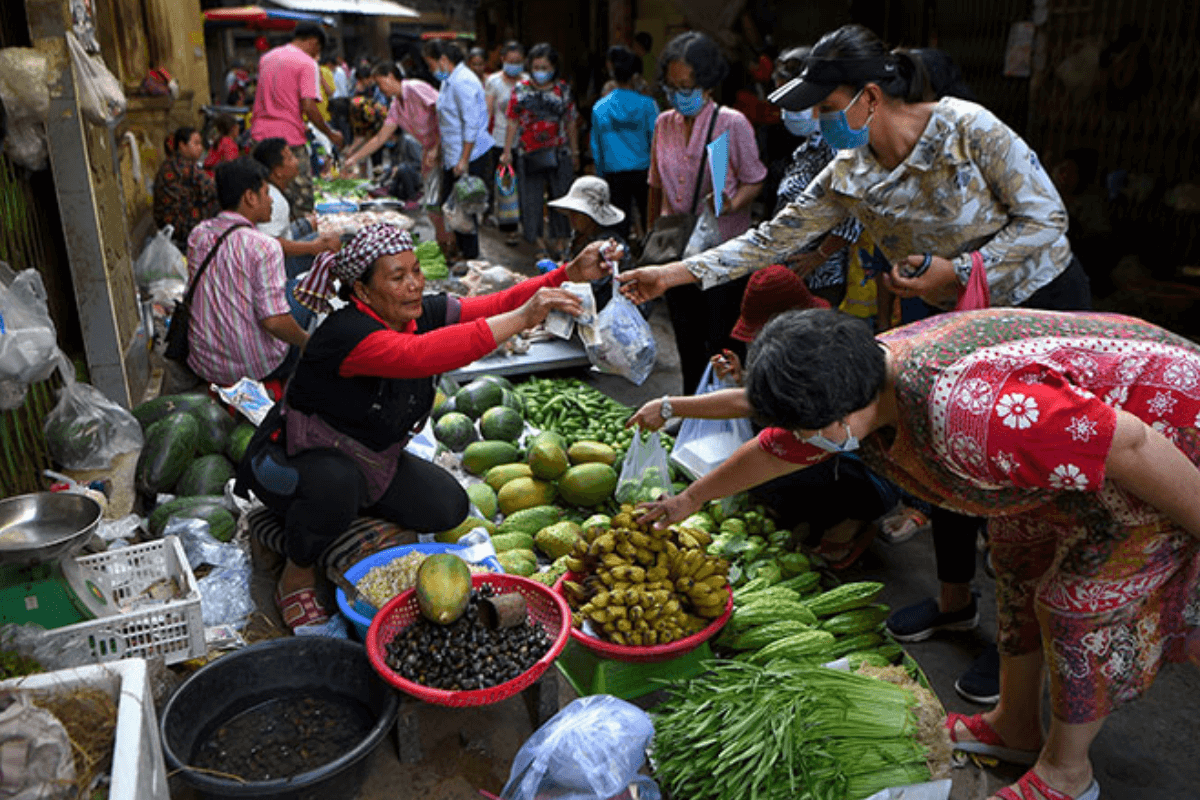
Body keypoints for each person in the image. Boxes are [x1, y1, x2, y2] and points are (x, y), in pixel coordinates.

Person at [619, 23, 1093, 698]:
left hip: (1037, 307)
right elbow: (771, 238)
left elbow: (1047, 220)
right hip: (951, 317)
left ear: (870, 96)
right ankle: (954, 599)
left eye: (824, 104)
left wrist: (958, 270)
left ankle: (1022, 646)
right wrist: (677, 274)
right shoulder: (851, 171)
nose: (815, 120)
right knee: (946, 462)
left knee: (1018, 479)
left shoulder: (967, 128)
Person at [635, 307, 1200, 800]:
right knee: (1017, 561)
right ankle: (1015, 726)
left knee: (1075, 603)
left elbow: (1131, 443)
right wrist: (689, 499)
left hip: (1168, 440)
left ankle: (1068, 773)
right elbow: (778, 442)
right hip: (1084, 440)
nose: (801, 441)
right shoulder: (861, 373)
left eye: (810, 431)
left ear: (839, 422)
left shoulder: (971, 412)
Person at [237, 226, 613, 632]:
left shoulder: (418, 314)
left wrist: (569, 273)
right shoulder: (346, 335)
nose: (415, 284)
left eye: (416, 271)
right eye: (397, 277)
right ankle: (295, 571)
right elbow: (421, 356)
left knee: (446, 505)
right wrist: (523, 319)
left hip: (367, 460)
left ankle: (325, 518)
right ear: (362, 291)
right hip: (287, 461)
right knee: (335, 486)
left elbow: (495, 303)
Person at [647, 31, 766, 395]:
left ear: (708, 85)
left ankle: (727, 416)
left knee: (722, 341)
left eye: (687, 86)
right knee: (686, 336)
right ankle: (688, 411)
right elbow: (655, 185)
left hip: (724, 253)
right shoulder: (662, 123)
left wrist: (733, 202)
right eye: (672, 86)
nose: (679, 95)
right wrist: (652, 237)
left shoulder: (732, 123)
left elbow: (755, 179)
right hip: (676, 251)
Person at [185, 158, 310, 386]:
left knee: (290, 288)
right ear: (250, 198)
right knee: (305, 294)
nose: (271, 199)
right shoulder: (263, 246)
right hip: (255, 368)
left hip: (204, 363)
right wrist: (306, 341)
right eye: (265, 192)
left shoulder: (198, 234)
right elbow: (273, 321)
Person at [769, 46, 864, 309]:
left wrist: (819, 256)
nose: (788, 110)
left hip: (821, 280)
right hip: (798, 275)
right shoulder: (809, 146)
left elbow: (853, 213)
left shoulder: (837, 144)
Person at [250, 24, 344, 217]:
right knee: (301, 200)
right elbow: (309, 107)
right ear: (313, 43)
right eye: (318, 50)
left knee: (265, 197)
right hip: (288, 140)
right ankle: (301, 244)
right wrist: (330, 133)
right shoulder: (307, 63)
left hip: (259, 137)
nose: (317, 55)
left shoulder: (267, 58)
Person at [499, 42, 579, 261]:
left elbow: (571, 122)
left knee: (561, 199)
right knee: (531, 200)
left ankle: (561, 242)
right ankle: (539, 244)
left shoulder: (562, 90)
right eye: (536, 66)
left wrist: (575, 152)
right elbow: (512, 121)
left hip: (560, 152)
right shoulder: (521, 90)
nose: (540, 72)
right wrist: (507, 151)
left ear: (553, 67)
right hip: (529, 152)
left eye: (544, 67)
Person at [423, 39, 495, 261]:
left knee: (465, 208)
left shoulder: (463, 81)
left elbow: (471, 123)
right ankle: (463, 255)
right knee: (453, 207)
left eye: (431, 64)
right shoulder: (450, 81)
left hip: (470, 155)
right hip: (454, 154)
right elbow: (448, 120)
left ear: (443, 60)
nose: (431, 69)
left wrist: (463, 159)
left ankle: (471, 259)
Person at [591, 45, 657, 241]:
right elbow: (656, 140)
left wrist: (600, 172)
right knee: (649, 217)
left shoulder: (600, 107)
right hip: (644, 170)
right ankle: (651, 256)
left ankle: (620, 259)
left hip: (613, 170)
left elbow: (597, 145)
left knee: (619, 221)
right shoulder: (647, 105)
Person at [251, 137, 341, 278]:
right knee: (332, 241)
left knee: (313, 224)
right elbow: (270, 244)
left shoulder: (273, 191)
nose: (297, 161)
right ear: (278, 172)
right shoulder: (273, 200)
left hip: (280, 244)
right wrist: (312, 247)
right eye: (290, 158)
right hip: (275, 269)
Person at [547, 176, 631, 309]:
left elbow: (592, 284)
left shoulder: (609, 244)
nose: (572, 217)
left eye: (577, 213)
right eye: (571, 213)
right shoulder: (577, 236)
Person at [485, 41, 527, 245]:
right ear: (502, 60)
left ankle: (527, 225)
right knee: (506, 187)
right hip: (500, 141)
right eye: (510, 61)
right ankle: (509, 228)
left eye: (518, 62)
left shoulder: (528, 82)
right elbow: (488, 111)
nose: (514, 65)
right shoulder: (494, 82)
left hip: (526, 142)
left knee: (525, 186)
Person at [153, 127, 219, 250]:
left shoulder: (174, 163)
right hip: (178, 226)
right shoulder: (182, 167)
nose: (200, 148)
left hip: (169, 224)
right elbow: (212, 189)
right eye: (196, 143)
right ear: (182, 145)